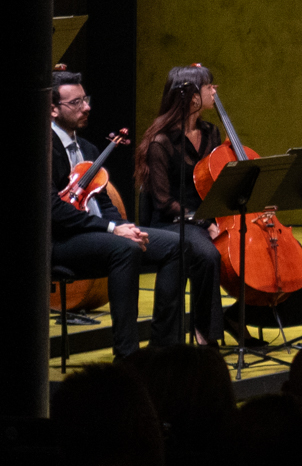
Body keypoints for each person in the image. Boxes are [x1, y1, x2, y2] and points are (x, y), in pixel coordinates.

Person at [47, 71, 150, 354]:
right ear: (53, 109)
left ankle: (165, 348)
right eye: (76, 102)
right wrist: (111, 230)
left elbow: (103, 203)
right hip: (63, 240)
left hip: (99, 231)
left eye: (86, 99)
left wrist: (125, 226)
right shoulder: (44, 149)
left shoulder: (89, 148)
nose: (87, 107)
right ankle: (128, 355)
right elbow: (53, 209)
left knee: (178, 245)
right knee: (125, 250)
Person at [129, 66, 230, 348]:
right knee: (208, 255)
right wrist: (202, 222)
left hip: (203, 218)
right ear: (193, 98)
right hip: (172, 219)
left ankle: (237, 320)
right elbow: (163, 202)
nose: (215, 90)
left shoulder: (211, 133)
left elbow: (216, 181)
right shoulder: (160, 142)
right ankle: (205, 332)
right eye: (209, 85)